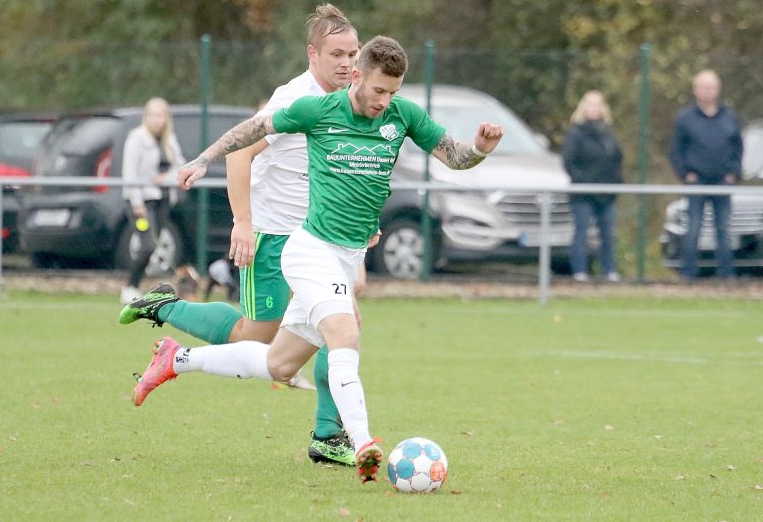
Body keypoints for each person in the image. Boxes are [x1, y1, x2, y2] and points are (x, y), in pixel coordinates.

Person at [127, 35, 504, 484]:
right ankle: (360, 441)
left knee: (278, 363)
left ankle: (178, 359)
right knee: (345, 330)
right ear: (359, 77)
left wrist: (480, 148)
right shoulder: (317, 109)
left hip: (346, 256)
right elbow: (253, 129)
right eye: (379, 91)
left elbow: (455, 157)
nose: (385, 101)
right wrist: (204, 158)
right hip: (308, 250)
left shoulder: (403, 117)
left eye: (394, 92)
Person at [119, 4, 361, 465]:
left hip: (317, 242)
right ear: (313, 54)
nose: (348, 63)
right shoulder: (292, 99)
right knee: (255, 339)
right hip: (272, 238)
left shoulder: (349, 99)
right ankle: (165, 308)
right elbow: (240, 155)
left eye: (353, 53)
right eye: (337, 54)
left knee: (343, 326)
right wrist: (244, 224)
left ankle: (329, 435)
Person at [669, 69, 742, 280]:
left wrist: (733, 173)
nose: (707, 91)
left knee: (723, 229)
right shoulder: (685, 118)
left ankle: (726, 275)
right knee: (692, 228)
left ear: (718, 90)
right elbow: (676, 150)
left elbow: (738, 147)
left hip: (722, 182)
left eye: (711, 87)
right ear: (695, 90)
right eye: (703, 87)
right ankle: (689, 274)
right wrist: (685, 174)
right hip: (696, 182)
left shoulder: (729, 117)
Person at [120, 97, 184, 304]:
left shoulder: (169, 140)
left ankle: (140, 289)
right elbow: (129, 173)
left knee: (154, 246)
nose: (157, 120)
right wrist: (136, 202)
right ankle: (130, 287)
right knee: (146, 245)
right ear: (146, 117)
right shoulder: (136, 139)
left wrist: (166, 179)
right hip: (141, 202)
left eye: (161, 116)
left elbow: (180, 167)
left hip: (162, 200)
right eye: (153, 115)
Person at [561, 90, 623, 283]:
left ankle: (609, 270)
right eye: (590, 104)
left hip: (606, 193)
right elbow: (568, 162)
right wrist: (583, 181)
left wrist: (614, 182)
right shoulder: (575, 133)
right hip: (583, 194)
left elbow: (617, 159)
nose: (594, 108)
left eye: (598, 104)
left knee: (607, 233)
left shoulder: (608, 133)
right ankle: (580, 271)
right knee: (582, 231)